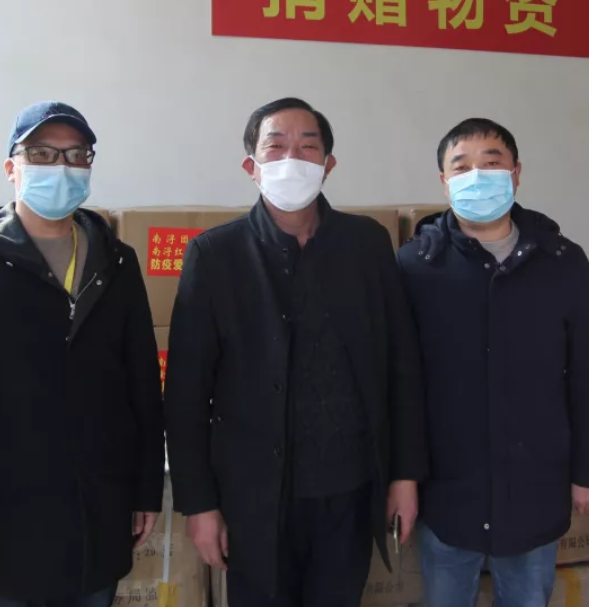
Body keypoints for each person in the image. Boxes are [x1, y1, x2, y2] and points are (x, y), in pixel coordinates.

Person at [164, 97, 427, 607]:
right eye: (276, 146)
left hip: (350, 491)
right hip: (254, 501)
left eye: (308, 147)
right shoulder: (215, 255)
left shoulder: (367, 245)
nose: (292, 159)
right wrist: (199, 505)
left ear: (328, 164)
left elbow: (402, 366)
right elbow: (185, 395)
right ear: (251, 166)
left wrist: (405, 475)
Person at [0, 101, 164, 607]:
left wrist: (145, 489)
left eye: (76, 155)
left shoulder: (116, 263)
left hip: (99, 513)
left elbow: (141, 383)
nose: (61, 168)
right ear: (12, 168)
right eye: (43, 154)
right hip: (6, 522)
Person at [397, 118, 589, 607]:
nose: (476, 176)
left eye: (491, 163)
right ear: (444, 182)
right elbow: (401, 386)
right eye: (461, 167)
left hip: (535, 484)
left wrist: (588, 471)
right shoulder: (415, 267)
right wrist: (403, 478)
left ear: (515, 173)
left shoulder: (562, 262)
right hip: (447, 490)